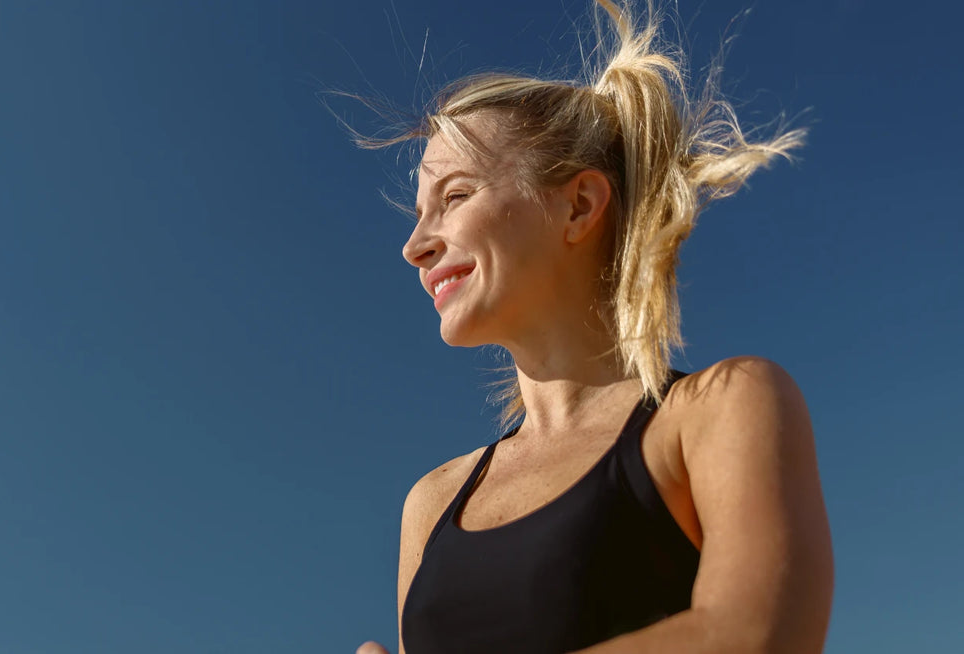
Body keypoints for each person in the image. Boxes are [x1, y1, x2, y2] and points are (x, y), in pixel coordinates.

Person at [347, 1, 834, 652]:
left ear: (578, 206)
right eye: (417, 213)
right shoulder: (429, 505)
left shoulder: (720, 409)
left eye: (455, 197)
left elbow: (751, 637)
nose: (415, 245)